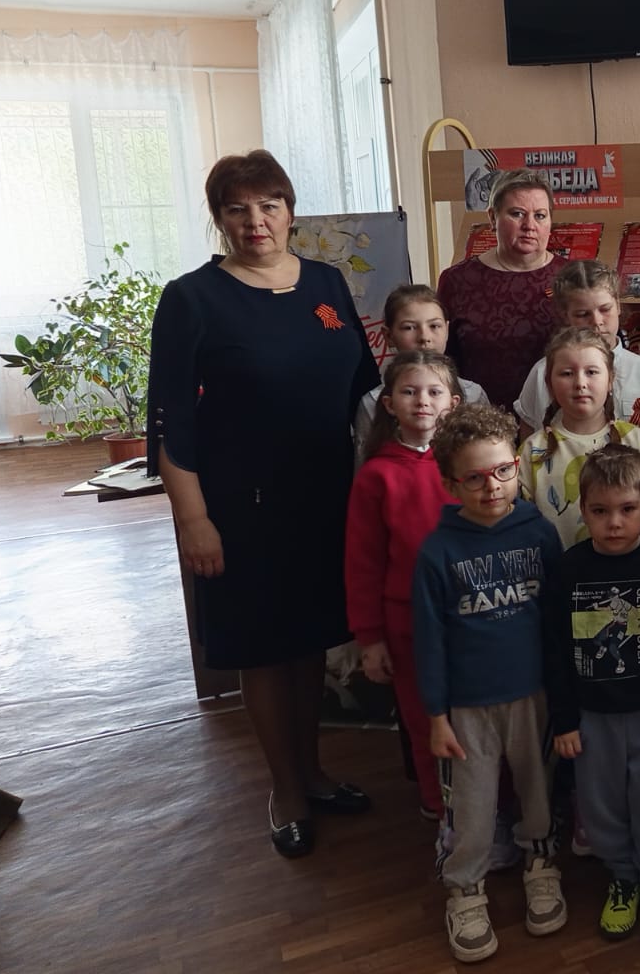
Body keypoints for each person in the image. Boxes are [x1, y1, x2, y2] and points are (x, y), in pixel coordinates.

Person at [147, 149, 379, 858]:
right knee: (262, 647)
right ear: (219, 219)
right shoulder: (192, 299)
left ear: (290, 211)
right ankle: (284, 789)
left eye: (269, 205)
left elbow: (366, 395)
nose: (256, 222)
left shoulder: (327, 283)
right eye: (238, 209)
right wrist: (193, 519)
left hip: (325, 498)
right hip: (240, 506)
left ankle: (312, 772)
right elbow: (169, 421)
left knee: (308, 641)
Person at [413, 404, 566, 962]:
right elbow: (429, 641)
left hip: (533, 695)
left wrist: (562, 696)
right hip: (467, 708)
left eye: (502, 471)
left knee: (538, 793)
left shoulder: (539, 533)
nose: (492, 486)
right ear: (451, 484)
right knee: (472, 810)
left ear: (517, 467)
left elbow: (556, 623)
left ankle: (541, 864)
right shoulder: (438, 551)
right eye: (475, 477)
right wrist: (436, 716)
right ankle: (465, 888)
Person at [544, 446, 640, 944]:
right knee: (600, 802)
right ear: (583, 510)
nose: (614, 522)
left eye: (627, 509)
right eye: (600, 511)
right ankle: (623, 877)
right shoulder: (568, 570)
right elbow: (555, 650)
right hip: (591, 716)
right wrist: (564, 720)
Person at [344, 351, 461, 820]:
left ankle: (491, 804)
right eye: (410, 392)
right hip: (407, 621)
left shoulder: (467, 465)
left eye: (433, 392)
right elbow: (363, 564)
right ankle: (440, 806)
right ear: (389, 404)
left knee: (477, 712)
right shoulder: (376, 475)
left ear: (452, 403)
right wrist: (371, 639)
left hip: (469, 613)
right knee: (422, 715)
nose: (422, 401)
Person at [437, 169, 564, 412]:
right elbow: (442, 360)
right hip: (478, 419)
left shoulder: (572, 278)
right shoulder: (457, 281)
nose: (529, 226)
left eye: (540, 216)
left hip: (559, 420)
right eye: (517, 214)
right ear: (492, 217)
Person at [517, 327, 640, 547]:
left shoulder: (638, 441)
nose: (580, 383)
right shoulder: (532, 451)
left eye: (592, 372)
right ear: (549, 383)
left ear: (610, 379)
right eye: (567, 373)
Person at [515, 260, 640, 435]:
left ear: (618, 305)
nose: (596, 321)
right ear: (565, 316)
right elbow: (528, 436)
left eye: (605, 309)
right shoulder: (542, 372)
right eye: (583, 314)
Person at [354, 284, 489, 466]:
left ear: (447, 329)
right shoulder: (372, 402)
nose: (424, 337)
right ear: (388, 335)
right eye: (409, 328)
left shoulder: (473, 394)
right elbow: (364, 468)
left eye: (434, 326)